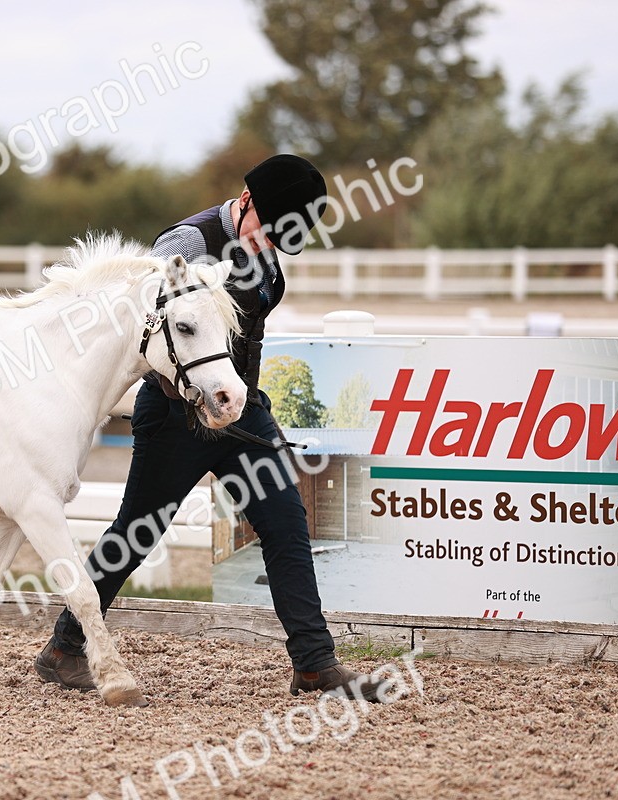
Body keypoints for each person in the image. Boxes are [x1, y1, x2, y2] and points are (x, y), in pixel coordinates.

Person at [34, 154, 388, 702]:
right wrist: (197, 398)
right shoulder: (185, 247)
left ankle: (314, 663)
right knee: (136, 534)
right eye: (267, 228)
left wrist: (235, 401)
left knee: (287, 525)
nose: (270, 243)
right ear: (246, 201)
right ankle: (65, 647)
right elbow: (150, 335)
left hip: (242, 412)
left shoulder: (268, 259)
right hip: (176, 415)